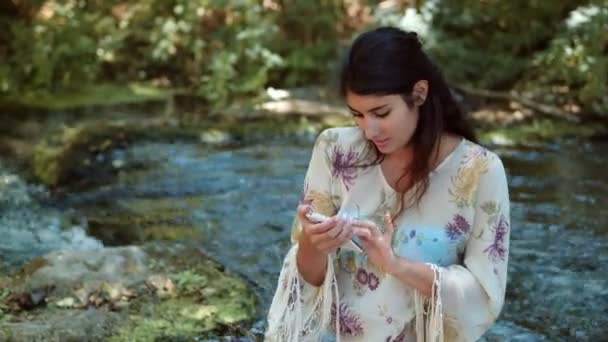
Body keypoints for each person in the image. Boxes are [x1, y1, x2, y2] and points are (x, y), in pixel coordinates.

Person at [265, 26, 510, 342]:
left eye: (381, 112)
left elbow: (483, 298)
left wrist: (395, 265)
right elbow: (305, 279)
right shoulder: (333, 149)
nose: (369, 129)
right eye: (358, 115)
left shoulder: (481, 171)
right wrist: (314, 243)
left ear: (419, 94)